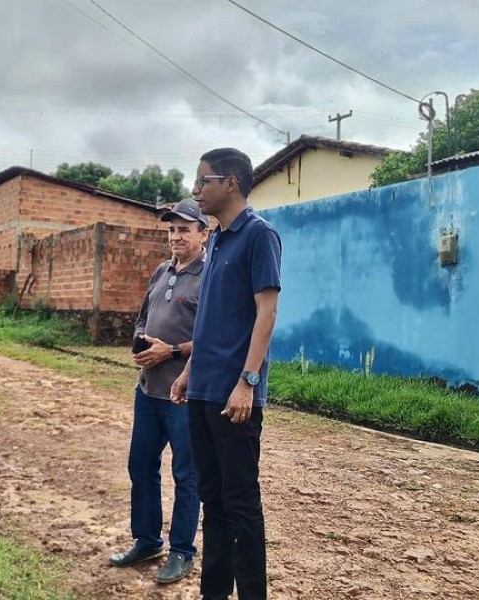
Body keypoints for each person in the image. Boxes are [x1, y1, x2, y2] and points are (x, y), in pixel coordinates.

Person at [170, 148, 281, 600]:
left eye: (203, 181)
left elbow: (267, 312)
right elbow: (209, 318)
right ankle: (213, 592)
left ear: (230, 183)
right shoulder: (215, 239)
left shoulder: (259, 235)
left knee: (241, 505)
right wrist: (188, 371)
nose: (196, 190)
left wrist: (247, 382)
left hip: (235, 396)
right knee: (211, 501)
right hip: (202, 390)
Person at [109, 199, 208, 585]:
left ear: (203, 234)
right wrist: (140, 341)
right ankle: (148, 540)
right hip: (148, 391)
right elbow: (142, 318)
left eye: (185, 229)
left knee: (186, 474)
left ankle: (182, 550)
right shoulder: (160, 271)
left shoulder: (209, 276)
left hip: (184, 395)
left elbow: (214, 337)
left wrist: (173, 351)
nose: (176, 236)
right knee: (141, 465)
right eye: (172, 229)